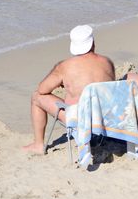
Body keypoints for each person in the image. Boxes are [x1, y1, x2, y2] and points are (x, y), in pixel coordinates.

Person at [23, 25, 115, 154]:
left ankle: (38, 145)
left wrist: (61, 79)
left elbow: (42, 89)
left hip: (81, 121)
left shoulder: (65, 66)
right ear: (93, 43)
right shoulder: (107, 62)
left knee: (36, 97)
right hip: (107, 118)